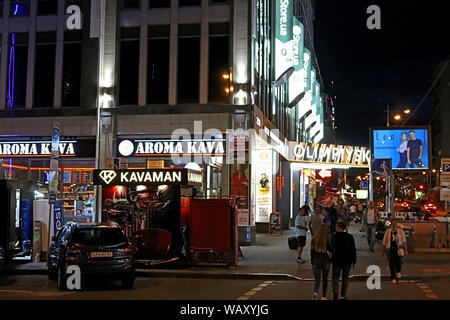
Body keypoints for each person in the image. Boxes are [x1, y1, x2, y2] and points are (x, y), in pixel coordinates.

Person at [331, 220, 357, 300]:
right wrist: (354, 261)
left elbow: (330, 248)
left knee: (335, 277)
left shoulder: (333, 237)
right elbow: (353, 249)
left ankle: (335, 291)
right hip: (347, 260)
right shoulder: (349, 237)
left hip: (336, 260)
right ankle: (342, 295)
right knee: (345, 278)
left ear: (338, 227)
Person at [310, 223, 333, 300]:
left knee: (317, 279)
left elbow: (311, 253)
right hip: (325, 261)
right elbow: (331, 250)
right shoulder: (327, 240)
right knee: (325, 279)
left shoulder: (313, 240)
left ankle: (315, 292)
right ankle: (323, 296)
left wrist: (312, 262)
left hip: (316, 261)